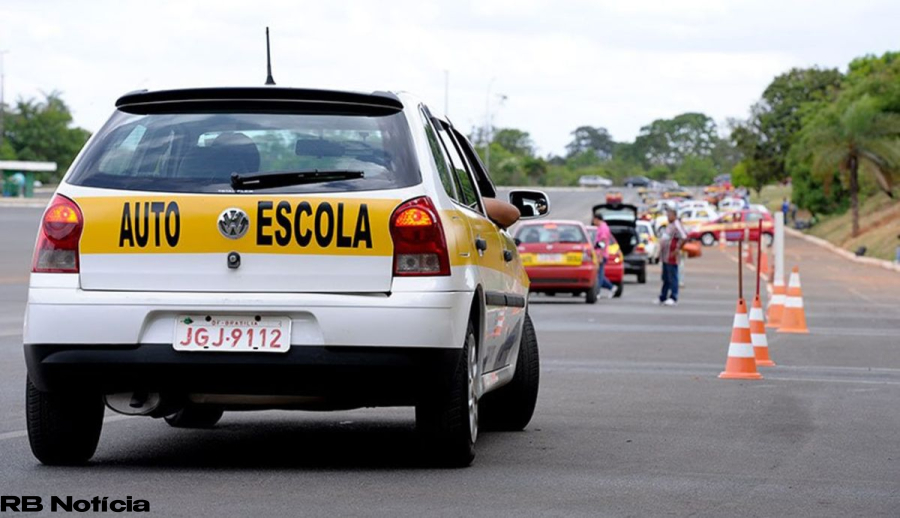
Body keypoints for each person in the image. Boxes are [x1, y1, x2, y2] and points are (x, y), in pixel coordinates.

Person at [658, 207, 687, 306]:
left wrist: (678, 249)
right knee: (665, 277)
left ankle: (673, 297)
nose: (668, 217)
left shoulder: (676, 225)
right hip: (665, 256)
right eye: (667, 215)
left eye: (669, 215)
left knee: (673, 277)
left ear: (674, 215)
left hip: (671, 256)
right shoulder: (669, 225)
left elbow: (684, 237)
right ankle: (663, 296)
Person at [592, 212, 616, 299]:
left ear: (597, 219)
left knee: (600, 275)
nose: (593, 221)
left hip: (601, 254)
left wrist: (600, 256)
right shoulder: (600, 227)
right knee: (599, 274)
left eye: (594, 219)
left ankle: (597, 292)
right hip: (598, 254)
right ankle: (611, 287)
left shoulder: (603, 228)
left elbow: (603, 242)